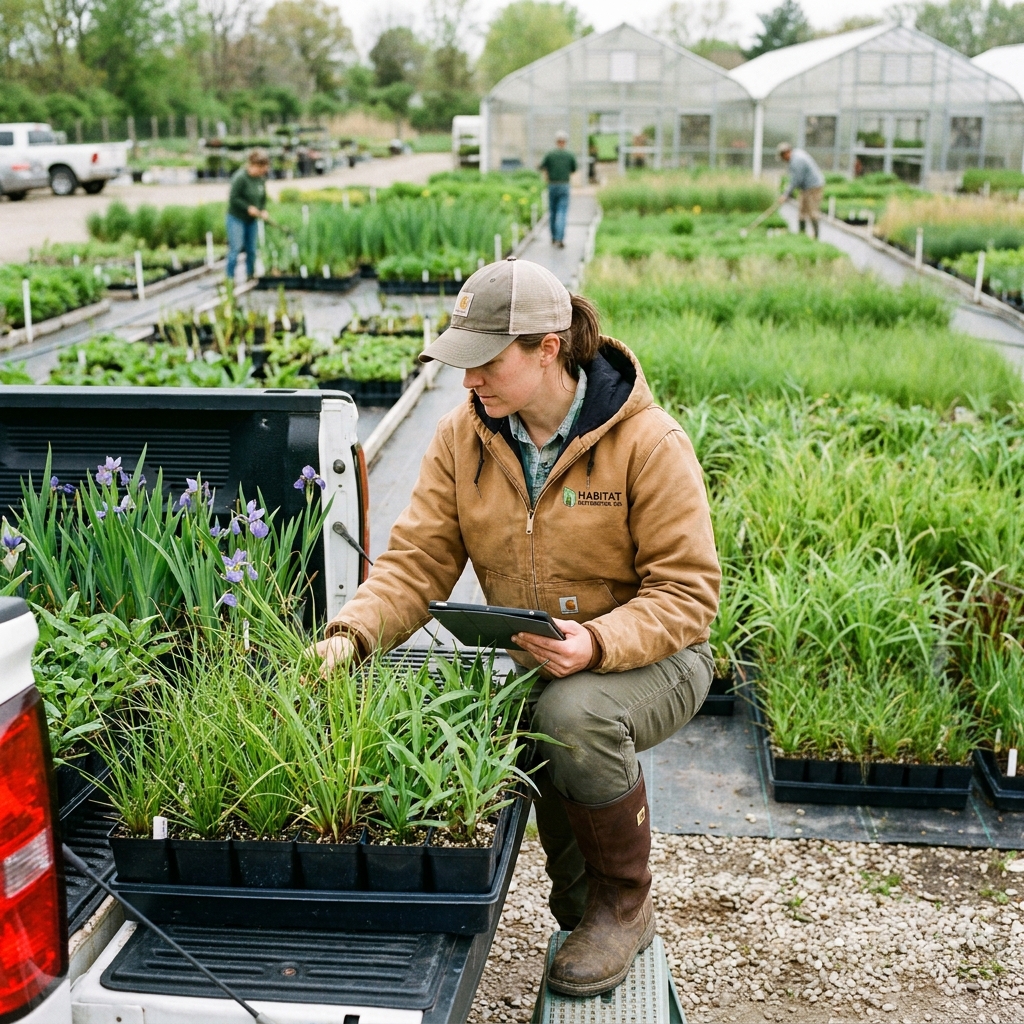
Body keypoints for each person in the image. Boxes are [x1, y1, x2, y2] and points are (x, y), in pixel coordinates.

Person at [315, 257, 721, 998]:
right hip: (545, 658)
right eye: (462, 361)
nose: (469, 380)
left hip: (658, 658)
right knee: (523, 720)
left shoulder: (648, 443)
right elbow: (416, 565)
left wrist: (597, 642)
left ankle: (625, 904)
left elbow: (688, 593)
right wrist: (350, 635)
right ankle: (584, 910)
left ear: (547, 348)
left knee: (570, 714)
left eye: (486, 361)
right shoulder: (462, 440)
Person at [226, 149, 270, 281]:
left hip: (251, 220)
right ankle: (229, 278)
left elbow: (262, 198)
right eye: (261, 168)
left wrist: (263, 210)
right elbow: (233, 198)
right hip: (237, 218)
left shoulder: (260, 179)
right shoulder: (240, 178)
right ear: (254, 165)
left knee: (251, 249)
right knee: (236, 248)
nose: (263, 171)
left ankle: (250, 275)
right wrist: (248, 208)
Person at [777, 141, 825, 238]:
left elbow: (796, 180)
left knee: (812, 211)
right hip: (805, 187)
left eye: (783, 157)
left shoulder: (797, 160)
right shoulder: (795, 157)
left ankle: (816, 237)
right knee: (802, 212)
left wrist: (786, 195)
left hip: (813, 187)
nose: (783, 160)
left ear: (786, 152)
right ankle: (801, 235)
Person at [539, 131, 576, 248]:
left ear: (556, 141)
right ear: (565, 142)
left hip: (552, 185)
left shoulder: (550, 155)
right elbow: (573, 169)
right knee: (562, 212)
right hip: (564, 185)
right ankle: (560, 238)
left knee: (553, 212)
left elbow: (542, 167)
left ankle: (554, 237)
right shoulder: (569, 155)